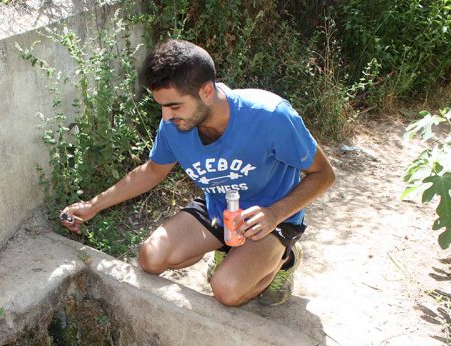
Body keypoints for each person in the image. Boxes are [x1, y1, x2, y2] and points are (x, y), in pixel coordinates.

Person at [60, 39, 335, 307]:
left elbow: (323, 174)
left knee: (227, 291)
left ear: (206, 91)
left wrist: (275, 214)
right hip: (219, 208)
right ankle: (229, 248)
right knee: (150, 258)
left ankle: (284, 260)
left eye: (174, 106)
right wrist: (93, 205)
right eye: (162, 106)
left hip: (271, 216)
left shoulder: (270, 115)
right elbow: (152, 170)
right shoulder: (173, 124)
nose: (166, 117)